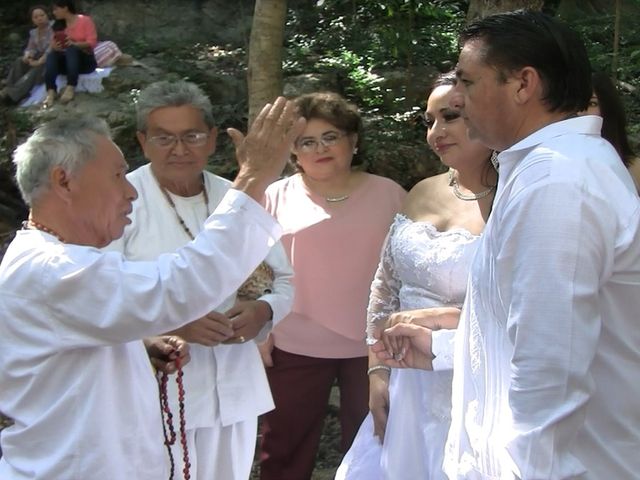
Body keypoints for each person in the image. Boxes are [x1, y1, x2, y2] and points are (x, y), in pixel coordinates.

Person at [375, 10, 640, 479]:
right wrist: (444, 348)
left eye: (468, 83)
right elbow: (529, 332)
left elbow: (551, 375)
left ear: (523, 84)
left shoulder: (560, 181)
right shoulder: (542, 170)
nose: (458, 97)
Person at [0, 97, 305, 479]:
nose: (130, 192)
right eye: (117, 176)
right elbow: (178, 287)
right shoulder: (52, 268)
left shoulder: (56, 260)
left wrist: (141, 345)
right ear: (64, 181)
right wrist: (256, 176)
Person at [107, 80, 294, 480]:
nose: (179, 149)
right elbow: (102, 298)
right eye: (164, 138)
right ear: (142, 142)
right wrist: (173, 327)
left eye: (191, 136)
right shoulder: (122, 202)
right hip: (161, 392)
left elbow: (283, 282)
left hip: (236, 388)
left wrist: (263, 311)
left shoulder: (235, 197)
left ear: (211, 140)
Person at [336, 72, 495, 480]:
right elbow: (385, 287)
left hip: (472, 382)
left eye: (451, 116)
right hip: (406, 382)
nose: (436, 132)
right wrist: (377, 371)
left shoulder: (515, 197)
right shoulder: (421, 190)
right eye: (429, 121)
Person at [258, 91, 406, 480]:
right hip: (294, 341)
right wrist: (261, 332)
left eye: (331, 137)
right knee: (283, 446)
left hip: (374, 346)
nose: (319, 148)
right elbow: (256, 268)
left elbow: (408, 269)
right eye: (307, 141)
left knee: (374, 444)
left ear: (353, 141)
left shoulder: (390, 193)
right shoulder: (276, 195)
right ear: (293, 150)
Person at [580, 71, 640, 192]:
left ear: (608, 108)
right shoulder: (557, 161)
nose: (581, 112)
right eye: (575, 103)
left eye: (592, 103)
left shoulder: (635, 168)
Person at [43, 0, 97, 107]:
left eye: (56, 9)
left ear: (65, 8)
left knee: (71, 48)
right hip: (66, 64)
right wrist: (55, 47)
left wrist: (74, 44)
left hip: (85, 61)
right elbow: (54, 45)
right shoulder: (58, 25)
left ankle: (71, 86)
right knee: (52, 54)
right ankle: (51, 91)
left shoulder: (85, 20)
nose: (54, 12)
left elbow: (92, 42)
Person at [0, 6, 53, 105]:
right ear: (32, 20)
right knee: (20, 61)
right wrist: (28, 57)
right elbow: (30, 47)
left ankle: (12, 95)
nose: (39, 18)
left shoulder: (54, 28)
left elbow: (52, 48)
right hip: (37, 57)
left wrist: (39, 61)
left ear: (47, 15)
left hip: (51, 58)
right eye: (36, 17)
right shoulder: (34, 32)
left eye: (42, 15)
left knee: (38, 67)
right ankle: (8, 88)